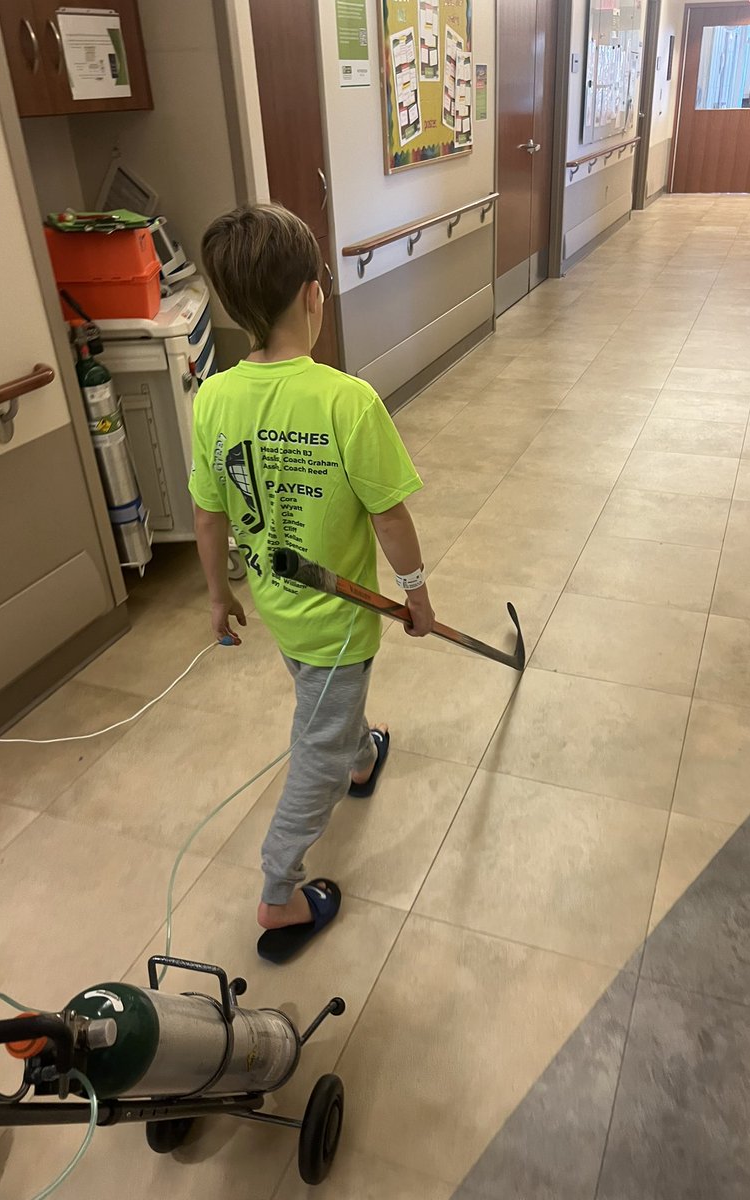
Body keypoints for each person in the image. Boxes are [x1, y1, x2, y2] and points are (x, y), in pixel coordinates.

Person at [189, 203, 434, 963]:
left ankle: (361, 754)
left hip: (282, 610)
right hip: (338, 626)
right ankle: (277, 890)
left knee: (327, 708)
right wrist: (418, 593)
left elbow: (208, 519)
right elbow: (389, 519)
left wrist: (218, 596)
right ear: (312, 295)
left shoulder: (213, 399)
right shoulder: (345, 400)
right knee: (315, 753)